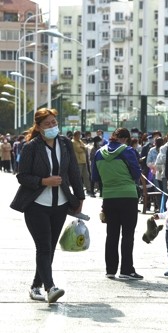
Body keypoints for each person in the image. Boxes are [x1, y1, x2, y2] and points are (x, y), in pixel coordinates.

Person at [10, 108, 85, 304]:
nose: (52, 126)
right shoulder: (31, 147)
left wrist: (79, 198)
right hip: (36, 205)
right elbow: (22, 176)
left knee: (50, 248)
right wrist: (44, 181)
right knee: (43, 246)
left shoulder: (65, 144)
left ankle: (35, 286)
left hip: (60, 204)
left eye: (54, 122)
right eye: (47, 124)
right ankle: (50, 287)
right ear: (39, 127)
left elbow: (74, 172)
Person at [92, 128, 143, 280]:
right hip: (128, 195)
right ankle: (127, 270)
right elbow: (136, 173)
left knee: (111, 234)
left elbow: (95, 176)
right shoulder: (128, 151)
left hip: (108, 196)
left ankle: (110, 269)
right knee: (127, 234)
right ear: (126, 138)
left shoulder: (99, 153)